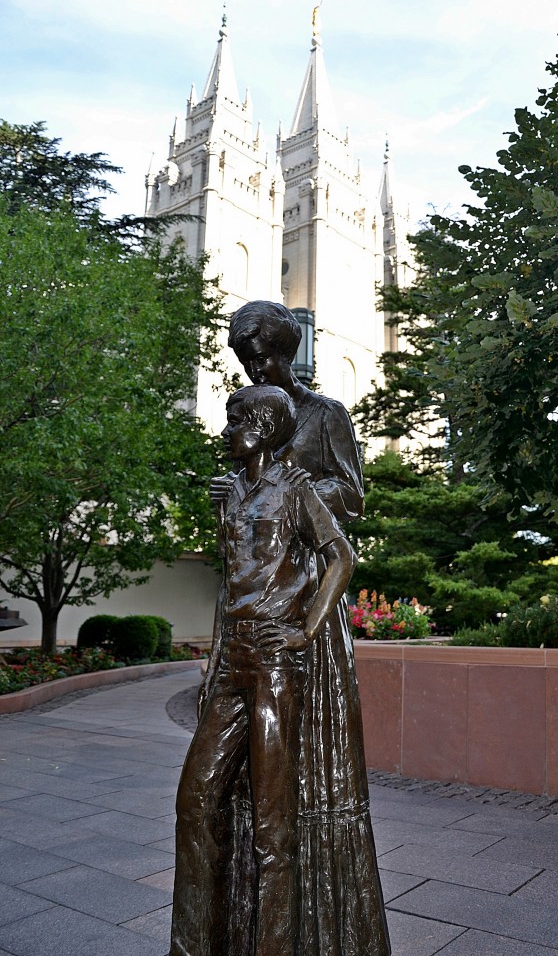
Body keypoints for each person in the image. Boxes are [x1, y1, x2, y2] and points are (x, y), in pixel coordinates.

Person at [194, 300, 391, 956]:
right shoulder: (248, 414)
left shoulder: (324, 414)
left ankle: (316, 928)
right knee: (222, 790)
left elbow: (353, 494)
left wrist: (297, 492)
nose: (254, 369)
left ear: (286, 351)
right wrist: (237, 491)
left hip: (306, 609)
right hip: (250, 610)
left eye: (262, 358)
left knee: (303, 779)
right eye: (245, 361)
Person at [171, 384, 357, 956]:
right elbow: (230, 582)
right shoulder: (230, 494)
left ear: (264, 427)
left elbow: (342, 558)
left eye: (234, 421)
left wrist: (305, 630)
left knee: (274, 826)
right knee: (195, 801)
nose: (225, 431)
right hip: (232, 661)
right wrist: (213, 663)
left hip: (274, 663)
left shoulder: (296, 489)